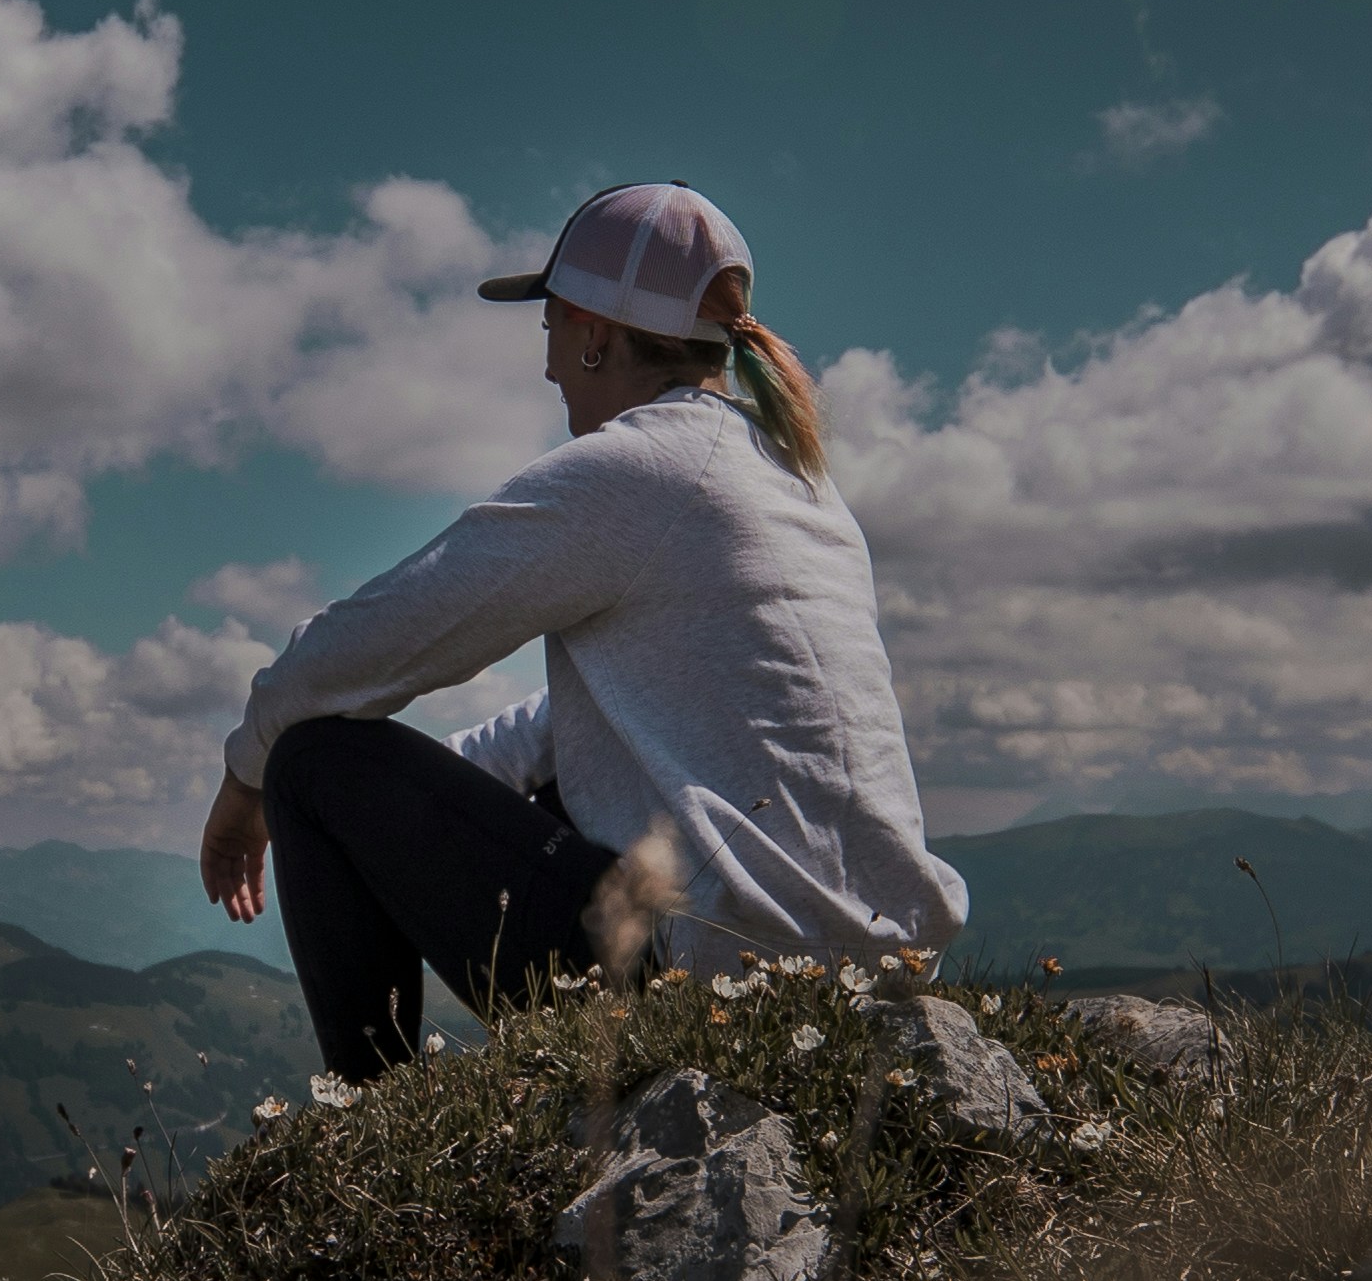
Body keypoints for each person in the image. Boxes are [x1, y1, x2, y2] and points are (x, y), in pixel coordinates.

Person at [198, 180, 964, 1078]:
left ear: (596, 334)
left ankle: (368, 1118)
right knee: (544, 783)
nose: (550, 364)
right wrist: (403, 820)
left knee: (312, 760)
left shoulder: (637, 470)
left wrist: (249, 786)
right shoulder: (794, 483)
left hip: (714, 984)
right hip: (876, 973)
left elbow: (357, 649)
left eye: (553, 329)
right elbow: (605, 723)